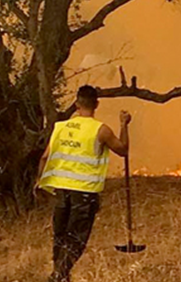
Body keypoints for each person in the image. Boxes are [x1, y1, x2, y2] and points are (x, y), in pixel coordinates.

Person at [37, 85, 131, 282]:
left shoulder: (61, 128)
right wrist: (124, 124)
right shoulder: (101, 130)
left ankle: (60, 275)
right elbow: (122, 150)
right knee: (77, 237)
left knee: (60, 235)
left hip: (62, 191)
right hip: (85, 193)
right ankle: (59, 275)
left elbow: (45, 157)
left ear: (77, 103)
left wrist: (40, 183)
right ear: (96, 104)